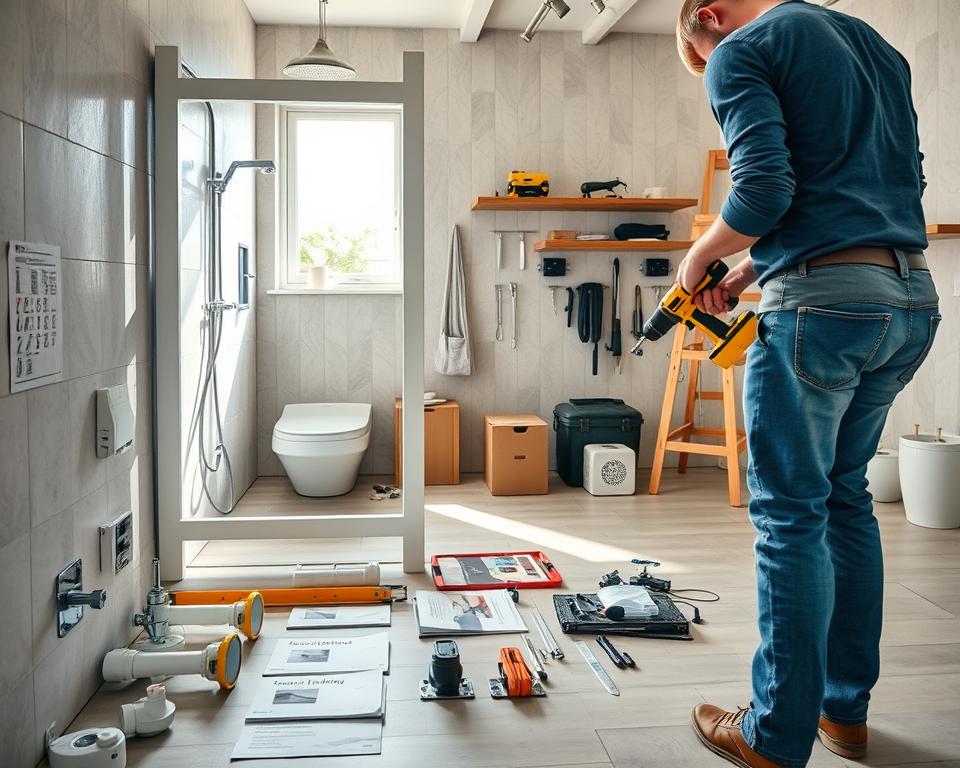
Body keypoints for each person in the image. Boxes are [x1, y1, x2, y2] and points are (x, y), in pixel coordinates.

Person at [673, 1, 941, 767]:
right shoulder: (875, 46)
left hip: (822, 312)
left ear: (707, 18)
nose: (712, 70)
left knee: (790, 513)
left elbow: (763, 191)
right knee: (845, 498)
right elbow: (868, 189)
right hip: (908, 302)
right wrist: (749, 269)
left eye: (703, 57)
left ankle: (774, 735)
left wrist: (700, 258)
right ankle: (842, 713)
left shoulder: (740, 49)